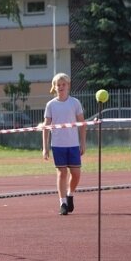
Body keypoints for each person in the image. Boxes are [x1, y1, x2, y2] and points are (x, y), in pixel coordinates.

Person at [42, 73, 86, 216]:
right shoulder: (51, 105)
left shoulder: (75, 103)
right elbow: (46, 127)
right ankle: (62, 203)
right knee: (62, 173)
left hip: (73, 145)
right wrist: (45, 147)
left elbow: (82, 124)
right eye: (58, 85)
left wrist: (83, 143)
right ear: (54, 87)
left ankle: (70, 194)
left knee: (76, 174)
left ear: (68, 86)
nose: (61, 87)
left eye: (63, 85)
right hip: (58, 145)